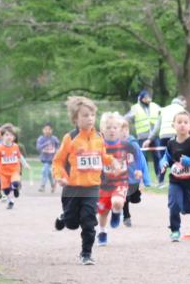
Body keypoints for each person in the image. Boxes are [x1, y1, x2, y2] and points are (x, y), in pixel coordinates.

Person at [53, 96, 110, 265]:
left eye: (92, 115)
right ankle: (65, 217)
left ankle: (86, 254)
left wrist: (111, 163)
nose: (90, 118)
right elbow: (58, 161)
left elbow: (102, 157)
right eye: (85, 115)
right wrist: (60, 176)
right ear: (75, 119)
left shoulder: (99, 137)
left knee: (88, 221)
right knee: (71, 223)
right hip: (72, 188)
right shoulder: (70, 138)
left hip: (92, 187)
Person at [159, 111, 190, 242]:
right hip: (175, 180)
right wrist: (163, 164)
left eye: (185, 122)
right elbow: (166, 158)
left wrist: (189, 161)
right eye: (179, 122)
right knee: (174, 205)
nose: (182, 125)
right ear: (173, 125)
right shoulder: (171, 143)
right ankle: (175, 230)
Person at [95, 112, 131, 247]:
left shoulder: (125, 146)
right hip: (104, 185)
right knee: (103, 212)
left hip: (120, 182)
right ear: (102, 130)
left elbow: (133, 161)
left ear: (120, 129)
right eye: (108, 127)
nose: (112, 130)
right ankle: (102, 232)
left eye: (115, 128)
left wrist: (139, 173)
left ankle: (116, 212)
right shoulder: (99, 146)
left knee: (117, 202)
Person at [0, 125, 29, 210]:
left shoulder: (15, 146)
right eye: (6, 135)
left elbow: (19, 156)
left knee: (15, 183)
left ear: (13, 137)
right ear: (2, 136)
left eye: (11, 135)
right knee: (6, 190)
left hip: (14, 170)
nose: (9, 137)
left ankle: (15, 188)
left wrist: (25, 164)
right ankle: (10, 201)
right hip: (3, 172)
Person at [125, 90, 162, 183]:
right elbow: (127, 118)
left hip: (154, 136)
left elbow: (163, 113)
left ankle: (159, 176)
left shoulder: (155, 106)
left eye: (149, 97)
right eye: (146, 97)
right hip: (142, 136)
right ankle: (143, 177)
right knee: (142, 157)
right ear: (141, 99)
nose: (148, 99)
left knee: (157, 156)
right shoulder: (136, 108)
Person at [150, 95, 187, 187]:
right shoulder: (182, 110)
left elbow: (157, 127)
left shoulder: (164, 109)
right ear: (181, 102)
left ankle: (160, 182)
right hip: (176, 135)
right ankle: (177, 180)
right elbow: (186, 125)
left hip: (163, 136)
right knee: (178, 158)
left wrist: (149, 138)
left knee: (163, 159)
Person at [120, 117, 150, 228]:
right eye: (120, 130)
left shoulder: (133, 144)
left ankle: (135, 195)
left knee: (135, 199)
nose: (123, 133)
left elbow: (141, 159)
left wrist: (142, 175)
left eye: (125, 130)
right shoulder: (115, 146)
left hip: (134, 177)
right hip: (122, 178)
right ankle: (126, 216)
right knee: (125, 198)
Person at [35, 123, 60, 193]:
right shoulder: (41, 139)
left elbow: (58, 147)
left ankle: (45, 185)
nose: (47, 131)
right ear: (43, 130)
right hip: (45, 159)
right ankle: (49, 185)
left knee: (46, 171)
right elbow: (38, 148)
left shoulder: (54, 139)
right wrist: (45, 144)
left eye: (49, 129)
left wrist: (57, 153)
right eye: (45, 129)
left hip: (53, 159)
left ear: (52, 130)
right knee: (47, 171)